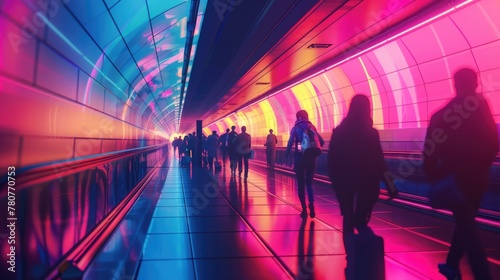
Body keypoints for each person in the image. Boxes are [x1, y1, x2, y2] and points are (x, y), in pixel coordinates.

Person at [423, 68, 498, 280]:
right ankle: (458, 266)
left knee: (465, 222)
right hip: (476, 178)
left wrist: (434, 177)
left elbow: (429, 150)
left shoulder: (441, 115)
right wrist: (481, 166)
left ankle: (460, 267)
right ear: (474, 83)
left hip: (452, 179)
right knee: (467, 221)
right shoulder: (481, 107)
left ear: (455, 84)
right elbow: (493, 141)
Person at [327, 94, 395, 249]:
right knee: (360, 218)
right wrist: (390, 185)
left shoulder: (339, 132)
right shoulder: (371, 133)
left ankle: (351, 256)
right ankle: (367, 247)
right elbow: (379, 161)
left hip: (344, 181)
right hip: (367, 181)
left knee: (348, 218)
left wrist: (335, 181)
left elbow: (332, 159)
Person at [286, 110, 324, 218]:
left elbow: (290, 142)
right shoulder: (312, 127)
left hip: (299, 157)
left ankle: (304, 210)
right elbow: (321, 142)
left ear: (298, 118)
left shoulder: (295, 128)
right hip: (311, 158)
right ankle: (311, 204)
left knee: (301, 184)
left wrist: (287, 154)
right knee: (309, 183)